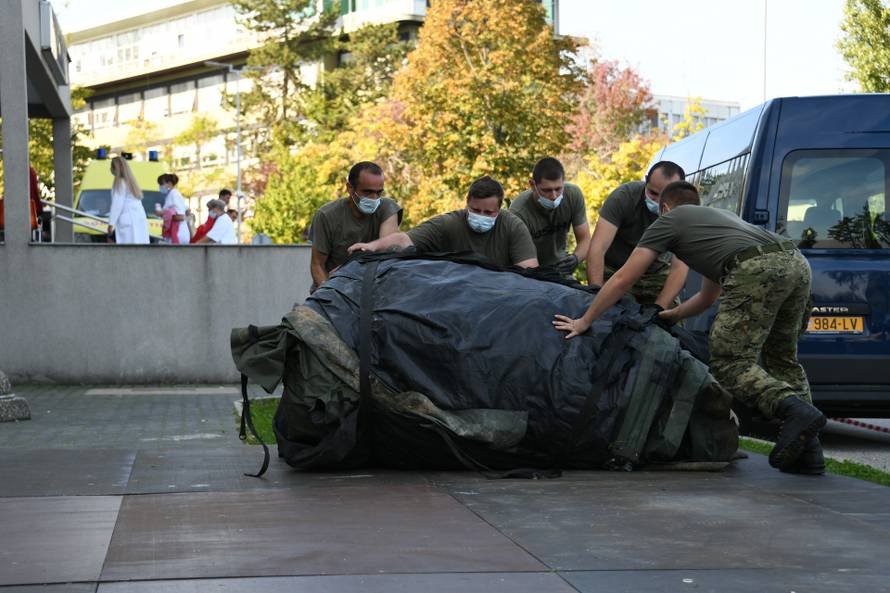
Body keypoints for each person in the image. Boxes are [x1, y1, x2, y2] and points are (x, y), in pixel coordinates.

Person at [553, 181, 826, 474]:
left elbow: (623, 279)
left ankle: (790, 408)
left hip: (756, 268)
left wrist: (585, 320)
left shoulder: (669, 220)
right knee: (782, 359)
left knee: (729, 362)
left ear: (665, 207)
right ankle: (810, 453)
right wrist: (672, 314)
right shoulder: (715, 222)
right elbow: (708, 296)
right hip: (796, 263)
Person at [349, 176, 539, 268]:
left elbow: (529, 270)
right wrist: (371, 246)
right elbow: (402, 239)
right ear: (466, 205)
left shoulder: (513, 226)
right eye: (475, 210)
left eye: (488, 212)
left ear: (499, 210)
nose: (481, 215)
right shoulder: (449, 224)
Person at [587, 161, 688, 307]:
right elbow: (597, 247)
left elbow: (679, 268)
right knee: (609, 318)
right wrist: (595, 295)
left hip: (656, 274)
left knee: (670, 322)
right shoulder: (624, 197)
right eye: (653, 193)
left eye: (665, 196)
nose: (658, 201)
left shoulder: (685, 213)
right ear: (646, 181)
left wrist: (659, 309)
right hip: (617, 270)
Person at [309, 161, 403, 290]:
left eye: (379, 193)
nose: (374, 198)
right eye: (367, 192)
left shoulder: (387, 208)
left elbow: (386, 253)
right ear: (350, 188)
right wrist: (329, 292)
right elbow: (317, 265)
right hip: (332, 288)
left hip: (371, 289)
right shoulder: (326, 215)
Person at [509, 157, 590, 276]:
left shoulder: (573, 195)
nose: (554, 196)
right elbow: (519, 259)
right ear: (532, 185)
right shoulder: (518, 212)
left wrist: (576, 258)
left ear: (563, 182)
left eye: (558, 189)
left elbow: (585, 239)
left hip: (561, 270)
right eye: (546, 190)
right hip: (529, 273)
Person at [107, 156, 149, 245]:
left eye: (112, 167)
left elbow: (117, 204)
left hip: (128, 220)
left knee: (128, 247)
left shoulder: (120, 183)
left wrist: (111, 224)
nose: (110, 169)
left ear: (116, 169)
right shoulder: (130, 181)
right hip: (138, 218)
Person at [157, 173, 190, 244]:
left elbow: (180, 216)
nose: (160, 186)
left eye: (161, 184)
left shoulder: (173, 194)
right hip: (179, 232)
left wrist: (163, 213)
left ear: (169, 183)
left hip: (177, 233)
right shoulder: (173, 194)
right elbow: (186, 211)